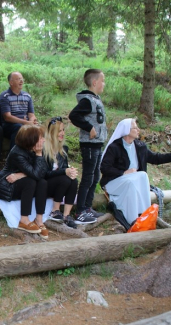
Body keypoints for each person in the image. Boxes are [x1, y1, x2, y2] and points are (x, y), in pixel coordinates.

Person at [100, 118, 171, 226]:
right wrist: (123, 172)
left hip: (133, 182)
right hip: (113, 183)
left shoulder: (140, 146)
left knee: (142, 175)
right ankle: (133, 221)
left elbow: (155, 158)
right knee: (131, 183)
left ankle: (145, 216)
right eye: (135, 127)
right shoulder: (114, 147)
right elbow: (104, 168)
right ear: (126, 130)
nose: (138, 129)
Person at [0, 125, 49, 239]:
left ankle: (39, 219)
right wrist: (39, 155)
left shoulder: (34, 149)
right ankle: (24, 220)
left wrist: (21, 174)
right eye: (41, 138)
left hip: (21, 183)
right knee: (31, 182)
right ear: (31, 140)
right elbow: (35, 174)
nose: (43, 140)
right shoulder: (18, 153)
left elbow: (43, 173)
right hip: (6, 186)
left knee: (42, 182)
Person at [68, 69, 107, 225]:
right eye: (102, 80)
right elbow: (73, 115)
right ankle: (80, 211)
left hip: (97, 143)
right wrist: (89, 127)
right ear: (95, 82)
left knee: (95, 176)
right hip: (89, 144)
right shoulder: (87, 100)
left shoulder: (95, 99)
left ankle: (88, 207)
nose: (104, 83)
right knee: (88, 176)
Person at [43, 117, 79, 229]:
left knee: (73, 180)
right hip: (45, 184)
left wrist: (70, 171)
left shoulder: (64, 149)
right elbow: (44, 174)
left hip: (60, 183)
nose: (62, 133)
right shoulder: (43, 149)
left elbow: (64, 169)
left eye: (63, 130)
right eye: (59, 131)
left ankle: (66, 215)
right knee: (64, 179)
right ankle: (55, 210)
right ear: (52, 132)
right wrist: (64, 171)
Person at [0, 72, 38, 153]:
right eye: (18, 79)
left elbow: (31, 114)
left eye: (21, 79)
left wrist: (32, 120)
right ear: (11, 82)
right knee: (18, 127)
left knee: (40, 129)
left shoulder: (27, 96)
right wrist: (25, 122)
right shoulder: (5, 96)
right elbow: (7, 117)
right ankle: (13, 157)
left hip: (25, 123)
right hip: (9, 125)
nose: (21, 81)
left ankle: (37, 156)